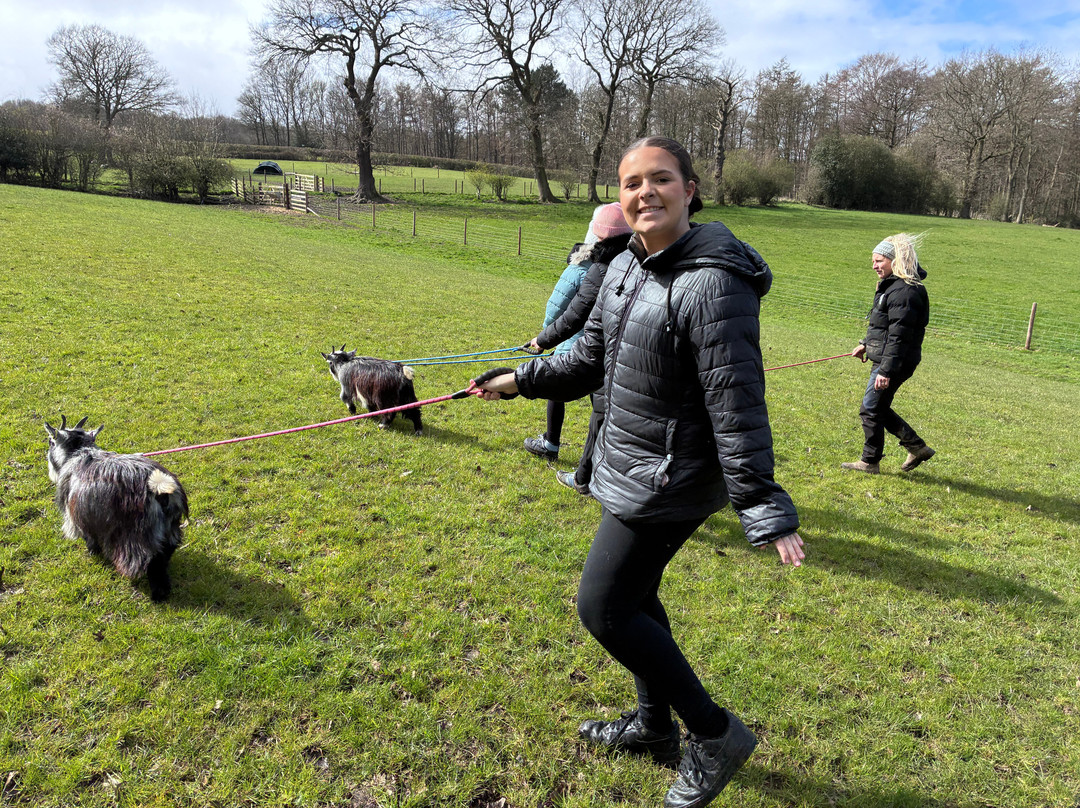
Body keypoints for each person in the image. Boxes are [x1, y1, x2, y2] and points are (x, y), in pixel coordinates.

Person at [469, 136, 805, 808]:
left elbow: (736, 398)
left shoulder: (713, 282)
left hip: (671, 477)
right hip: (628, 458)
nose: (644, 193)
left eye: (660, 179)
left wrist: (763, 504)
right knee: (638, 598)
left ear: (690, 189)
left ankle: (713, 734)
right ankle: (655, 730)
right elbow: (587, 356)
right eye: (631, 183)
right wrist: (519, 381)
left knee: (605, 605)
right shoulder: (626, 263)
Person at [522, 204, 633, 467]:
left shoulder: (585, 267)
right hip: (610, 350)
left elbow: (559, 309)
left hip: (574, 343)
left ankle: (551, 442)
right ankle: (597, 460)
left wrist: (544, 338)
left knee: (557, 389)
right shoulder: (632, 264)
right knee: (602, 404)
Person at [841, 233, 935, 474]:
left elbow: (899, 336)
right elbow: (883, 326)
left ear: (896, 261)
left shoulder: (905, 292)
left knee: (871, 408)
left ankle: (870, 461)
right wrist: (865, 344)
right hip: (888, 358)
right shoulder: (893, 287)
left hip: (895, 361)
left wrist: (886, 370)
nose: (874, 266)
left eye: (879, 260)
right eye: (873, 261)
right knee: (877, 407)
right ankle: (917, 447)